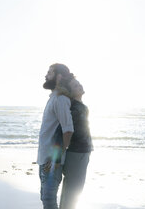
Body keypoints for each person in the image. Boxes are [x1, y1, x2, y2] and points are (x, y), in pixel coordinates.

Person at [37, 63, 75, 209]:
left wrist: (56, 158)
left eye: (49, 72)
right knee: (45, 198)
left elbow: (68, 130)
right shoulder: (54, 97)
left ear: (59, 77)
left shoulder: (60, 99)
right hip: (45, 159)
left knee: (49, 200)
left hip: (52, 161)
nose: (46, 75)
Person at [59, 78, 94, 209]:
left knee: (72, 189)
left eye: (79, 83)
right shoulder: (74, 107)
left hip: (82, 151)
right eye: (75, 86)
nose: (79, 85)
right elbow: (65, 129)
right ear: (70, 92)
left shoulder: (81, 106)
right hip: (76, 152)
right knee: (73, 190)